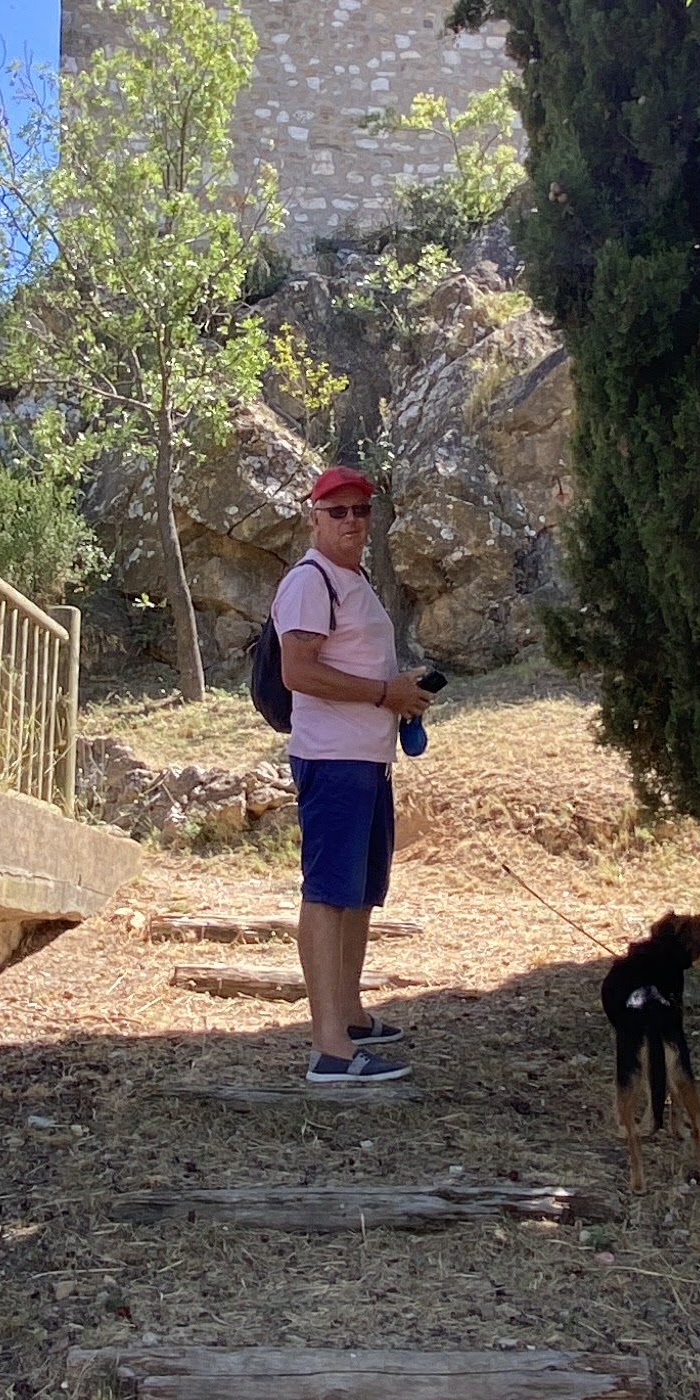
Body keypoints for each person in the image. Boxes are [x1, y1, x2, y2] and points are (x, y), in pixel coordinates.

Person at [273, 467, 430, 1092]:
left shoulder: (353, 579)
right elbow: (298, 673)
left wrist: (400, 694)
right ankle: (330, 1050)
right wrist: (384, 693)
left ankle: (350, 1015)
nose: (351, 522)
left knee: (360, 892)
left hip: (367, 758)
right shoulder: (308, 582)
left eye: (360, 511)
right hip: (333, 758)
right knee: (328, 893)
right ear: (313, 517)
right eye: (336, 511)